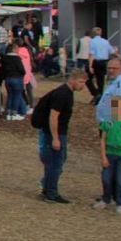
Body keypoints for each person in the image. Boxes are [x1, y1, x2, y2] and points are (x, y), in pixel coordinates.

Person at [36, 69, 88, 204]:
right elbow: (54, 117)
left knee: (57, 161)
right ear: (72, 79)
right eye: (81, 82)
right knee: (56, 163)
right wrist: (56, 137)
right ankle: (51, 192)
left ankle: (47, 188)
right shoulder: (63, 94)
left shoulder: (66, 93)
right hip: (55, 133)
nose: (83, 86)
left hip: (58, 132)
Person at [95, 96, 121, 214]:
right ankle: (106, 199)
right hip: (110, 154)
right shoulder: (108, 123)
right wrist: (104, 157)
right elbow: (103, 139)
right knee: (106, 178)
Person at [95, 57, 121, 125]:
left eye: (115, 68)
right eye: (109, 68)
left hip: (112, 126)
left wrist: (114, 128)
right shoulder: (114, 82)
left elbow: (118, 113)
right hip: (107, 124)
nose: (111, 70)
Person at [0, 44, 27, 120]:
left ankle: (9, 114)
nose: (18, 50)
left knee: (10, 95)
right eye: (17, 48)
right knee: (17, 96)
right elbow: (22, 69)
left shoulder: (4, 58)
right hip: (17, 78)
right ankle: (15, 113)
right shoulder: (16, 58)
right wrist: (22, 74)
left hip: (8, 79)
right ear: (13, 49)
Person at [87, 28, 113, 103]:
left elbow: (91, 54)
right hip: (104, 62)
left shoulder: (92, 41)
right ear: (101, 33)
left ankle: (96, 93)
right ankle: (99, 96)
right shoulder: (106, 41)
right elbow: (112, 51)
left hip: (95, 62)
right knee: (100, 81)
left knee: (87, 78)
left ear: (93, 33)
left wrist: (90, 66)